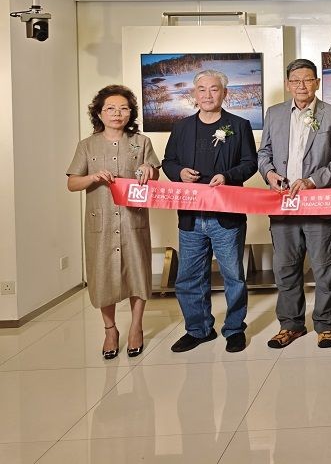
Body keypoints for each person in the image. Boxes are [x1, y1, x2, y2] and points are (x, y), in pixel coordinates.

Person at [161, 70, 258, 354]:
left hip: (226, 216)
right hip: (191, 216)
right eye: (201, 89)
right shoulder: (181, 127)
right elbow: (168, 161)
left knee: (233, 277)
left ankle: (234, 329)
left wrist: (227, 176)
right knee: (189, 277)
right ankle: (199, 329)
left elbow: (250, 163)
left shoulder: (239, 125)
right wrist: (179, 172)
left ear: (224, 93)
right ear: (194, 94)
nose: (207, 95)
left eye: (214, 89)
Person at [258, 58, 331, 350]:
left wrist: (312, 181)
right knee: (285, 268)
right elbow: (264, 153)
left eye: (308, 79)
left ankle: (326, 325)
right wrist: (270, 174)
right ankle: (291, 325)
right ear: (288, 84)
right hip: (283, 205)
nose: (301, 85)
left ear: (317, 83)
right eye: (295, 80)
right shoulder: (274, 114)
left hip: (319, 203)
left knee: (325, 268)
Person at [67, 85, 160, 359]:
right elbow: (72, 183)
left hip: (134, 220)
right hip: (101, 222)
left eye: (123, 108)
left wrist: (148, 169)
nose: (117, 113)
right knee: (102, 277)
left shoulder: (141, 142)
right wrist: (93, 177)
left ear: (130, 113)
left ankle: (136, 327)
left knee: (138, 273)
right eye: (110, 108)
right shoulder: (87, 145)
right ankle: (110, 329)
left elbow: (155, 175)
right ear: (99, 113)